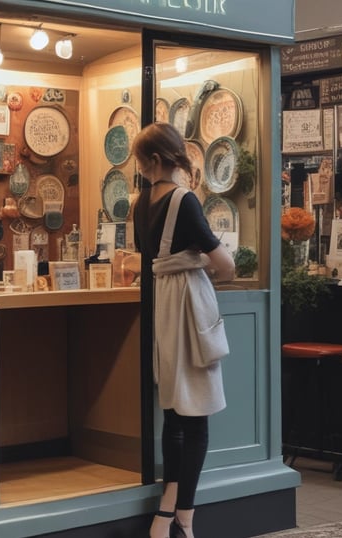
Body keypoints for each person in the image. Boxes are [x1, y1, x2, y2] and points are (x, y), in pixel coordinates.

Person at [132, 123, 235, 538]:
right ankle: (185, 520)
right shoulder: (184, 199)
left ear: (153, 160)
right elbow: (224, 265)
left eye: (139, 162)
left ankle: (164, 514)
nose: (139, 169)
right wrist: (206, 264)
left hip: (161, 305)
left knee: (173, 414)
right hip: (190, 305)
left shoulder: (140, 203)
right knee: (198, 419)